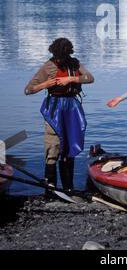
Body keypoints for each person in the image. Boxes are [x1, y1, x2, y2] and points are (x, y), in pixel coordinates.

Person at [24, 38, 94, 191]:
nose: (58, 59)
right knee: (53, 145)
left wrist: (71, 78)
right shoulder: (48, 66)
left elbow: (89, 78)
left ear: (68, 54)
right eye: (56, 56)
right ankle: (51, 188)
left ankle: (68, 187)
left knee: (69, 146)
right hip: (54, 109)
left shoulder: (75, 63)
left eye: (61, 57)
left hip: (71, 108)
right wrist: (45, 84)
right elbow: (28, 89)